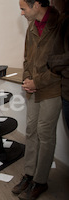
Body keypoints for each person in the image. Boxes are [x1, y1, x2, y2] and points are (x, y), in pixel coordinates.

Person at [13, 1, 62, 200]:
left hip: (51, 90)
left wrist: (37, 82)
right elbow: (27, 59)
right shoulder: (32, 27)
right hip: (32, 90)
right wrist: (26, 78)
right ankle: (29, 174)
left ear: (36, 5)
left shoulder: (61, 24)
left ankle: (40, 181)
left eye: (24, 8)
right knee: (31, 130)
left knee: (45, 133)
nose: (22, 13)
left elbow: (62, 64)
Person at [48, 0, 69, 130]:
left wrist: (56, 62)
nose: (51, 3)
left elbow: (52, 61)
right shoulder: (62, 21)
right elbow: (51, 60)